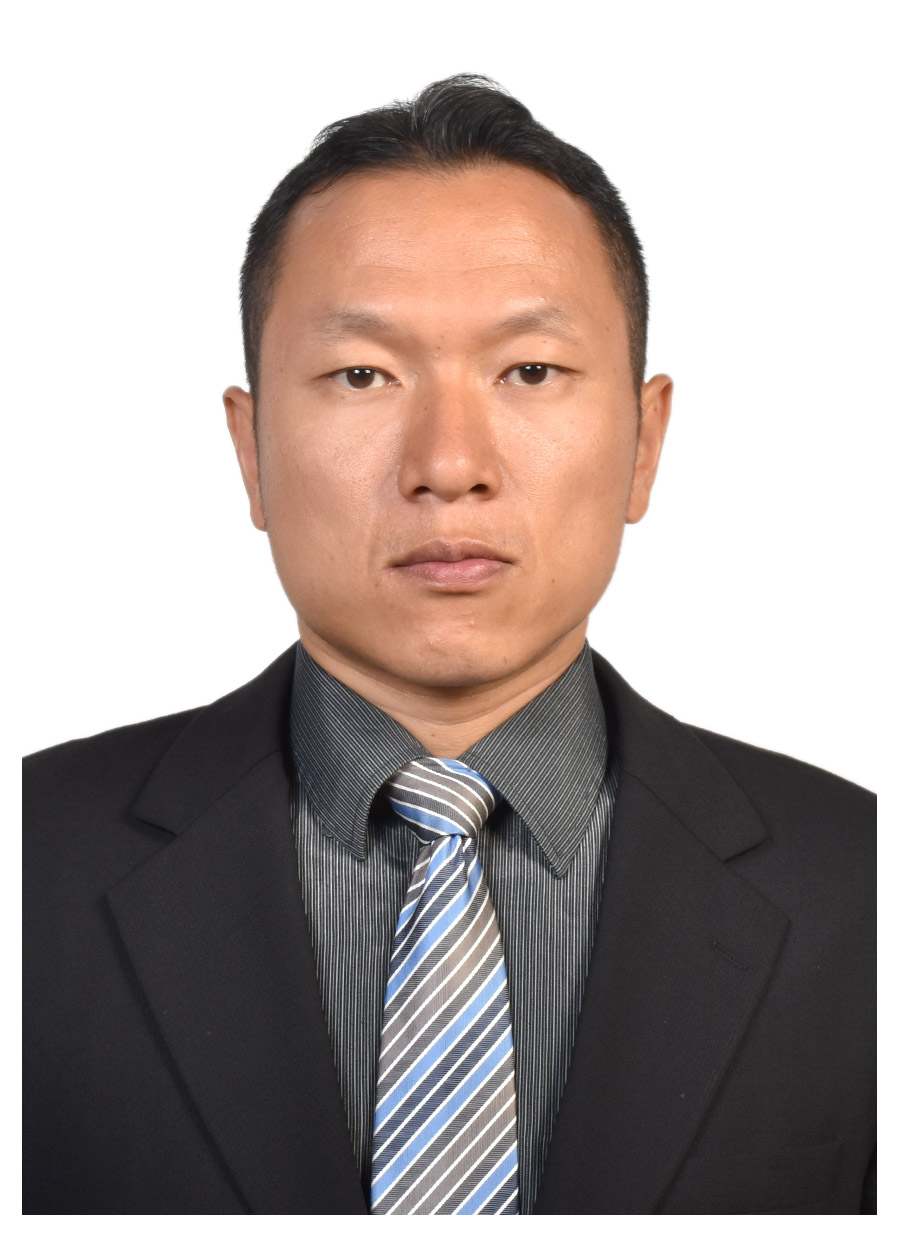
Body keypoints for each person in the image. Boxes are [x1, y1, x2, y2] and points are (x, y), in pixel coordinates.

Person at [23, 75, 875, 1215]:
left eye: (530, 371)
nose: (449, 462)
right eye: (362, 375)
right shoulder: (28, 864)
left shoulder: (865, 887)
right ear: (251, 451)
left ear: (643, 441)